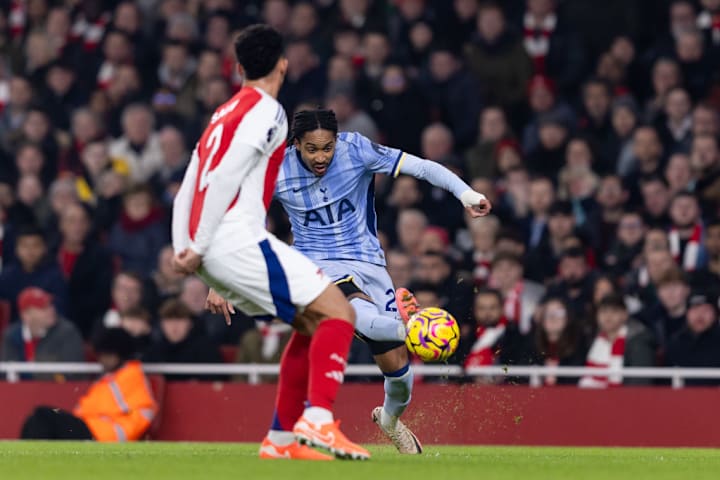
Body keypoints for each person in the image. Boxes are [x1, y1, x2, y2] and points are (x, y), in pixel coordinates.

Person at [237, 107, 489, 453]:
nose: (321, 156)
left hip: (368, 262)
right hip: (317, 265)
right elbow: (240, 219)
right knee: (352, 312)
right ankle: (410, 325)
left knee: (399, 376)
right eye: (312, 149)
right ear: (295, 144)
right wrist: (217, 280)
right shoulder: (275, 169)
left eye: (327, 147)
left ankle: (388, 419)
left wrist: (465, 194)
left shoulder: (356, 150)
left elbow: (422, 167)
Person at [171, 25, 367, 461]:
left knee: (310, 322)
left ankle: (280, 441)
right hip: (235, 238)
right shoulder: (269, 112)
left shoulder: (223, 113)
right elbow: (222, 178)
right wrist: (201, 246)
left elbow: (191, 178)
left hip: (212, 243)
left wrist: (183, 244)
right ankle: (318, 422)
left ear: (238, 67)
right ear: (282, 64)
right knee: (341, 311)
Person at [20, 328, 157, 441]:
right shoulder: (113, 378)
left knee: (43, 415)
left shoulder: (130, 376)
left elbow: (143, 413)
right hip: (93, 428)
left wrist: (116, 435)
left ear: (117, 355)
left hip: (100, 433)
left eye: (105, 355)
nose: (101, 360)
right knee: (36, 418)